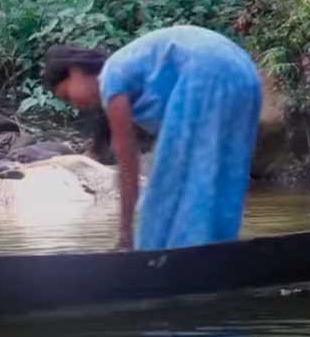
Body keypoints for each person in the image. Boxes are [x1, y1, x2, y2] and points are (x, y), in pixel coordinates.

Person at [44, 25, 261, 251]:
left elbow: (128, 163)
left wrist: (125, 232)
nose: (76, 106)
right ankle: (218, 250)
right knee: (222, 175)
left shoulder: (111, 77)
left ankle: (175, 260)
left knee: (166, 188)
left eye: (68, 95)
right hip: (244, 73)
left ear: (76, 72)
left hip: (207, 72)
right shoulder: (127, 70)